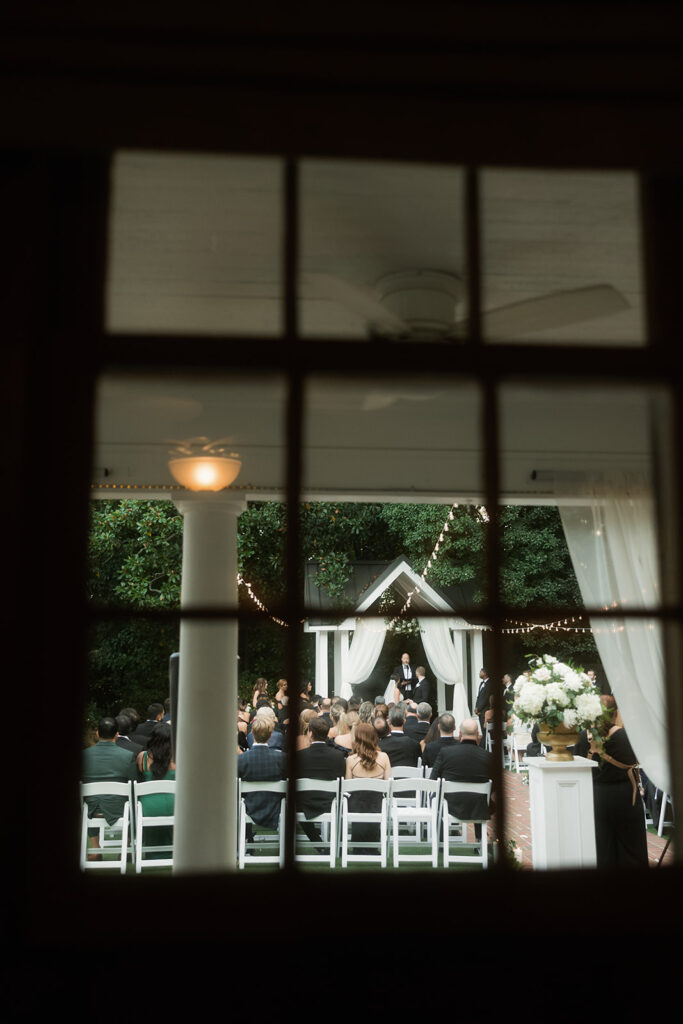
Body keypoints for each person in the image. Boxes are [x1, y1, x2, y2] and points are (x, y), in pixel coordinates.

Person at [588, 696, 648, 867]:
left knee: (603, 847)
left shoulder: (585, 735)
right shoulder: (625, 737)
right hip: (624, 795)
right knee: (631, 846)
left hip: (596, 795)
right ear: (615, 713)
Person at [430, 717, 492, 829]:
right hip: (478, 806)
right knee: (479, 796)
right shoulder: (487, 756)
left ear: (459, 733)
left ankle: (440, 837)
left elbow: (433, 779)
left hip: (450, 804)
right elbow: (493, 784)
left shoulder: (446, 752)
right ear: (478, 734)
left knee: (435, 796)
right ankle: (479, 837)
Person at [345, 722, 391, 846]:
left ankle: (358, 847)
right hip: (377, 805)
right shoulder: (384, 757)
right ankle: (373, 847)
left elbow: (348, 789)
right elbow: (389, 786)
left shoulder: (350, 760)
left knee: (357, 799)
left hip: (355, 806)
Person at [136, 722, 176, 857]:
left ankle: (152, 853)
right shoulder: (178, 758)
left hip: (147, 809)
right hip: (175, 807)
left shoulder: (142, 758)